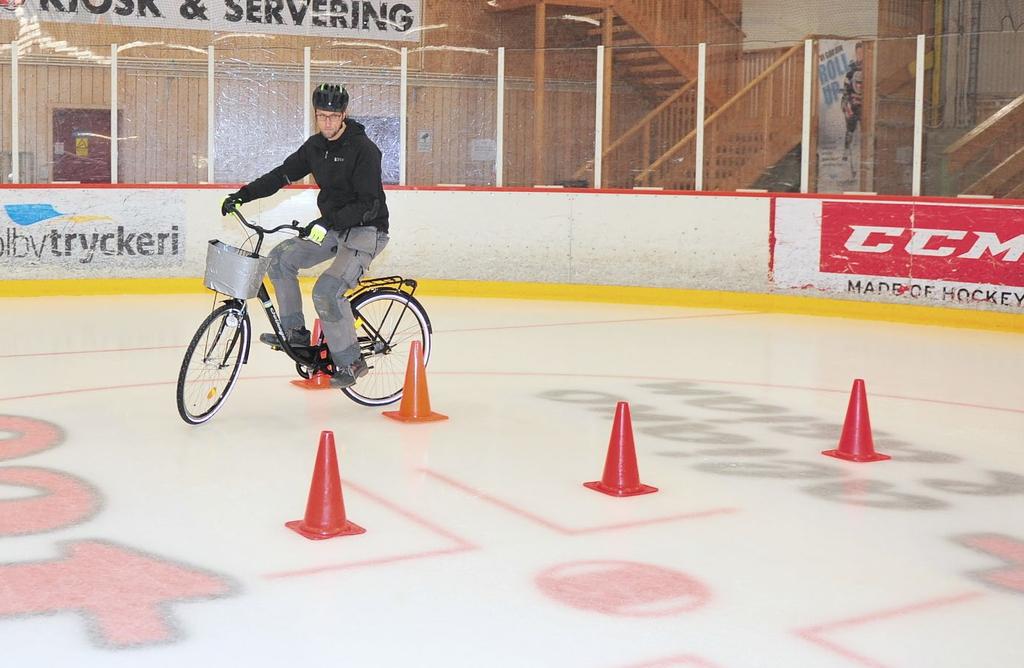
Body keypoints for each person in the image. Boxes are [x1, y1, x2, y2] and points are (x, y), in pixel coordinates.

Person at [220, 83, 390, 388]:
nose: (327, 122)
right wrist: (243, 195)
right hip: (333, 226)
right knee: (280, 258)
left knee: (326, 290)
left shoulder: (364, 150)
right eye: (322, 116)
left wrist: (327, 222)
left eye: (333, 116)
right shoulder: (314, 148)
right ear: (315, 115)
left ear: (344, 115)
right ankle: (295, 334)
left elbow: (368, 204)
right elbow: (280, 175)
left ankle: (351, 361)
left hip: (367, 229)